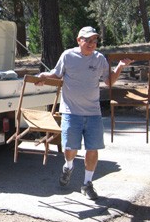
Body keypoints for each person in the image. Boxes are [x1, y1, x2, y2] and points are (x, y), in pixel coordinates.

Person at [37, 26, 133, 200]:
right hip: (71, 112)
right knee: (70, 149)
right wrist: (43, 77)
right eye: (88, 40)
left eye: (94, 40)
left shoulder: (99, 59)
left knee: (92, 149)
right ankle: (68, 166)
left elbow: (109, 81)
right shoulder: (68, 56)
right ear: (79, 40)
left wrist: (120, 66)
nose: (92, 44)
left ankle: (87, 183)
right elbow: (56, 75)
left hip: (93, 113)